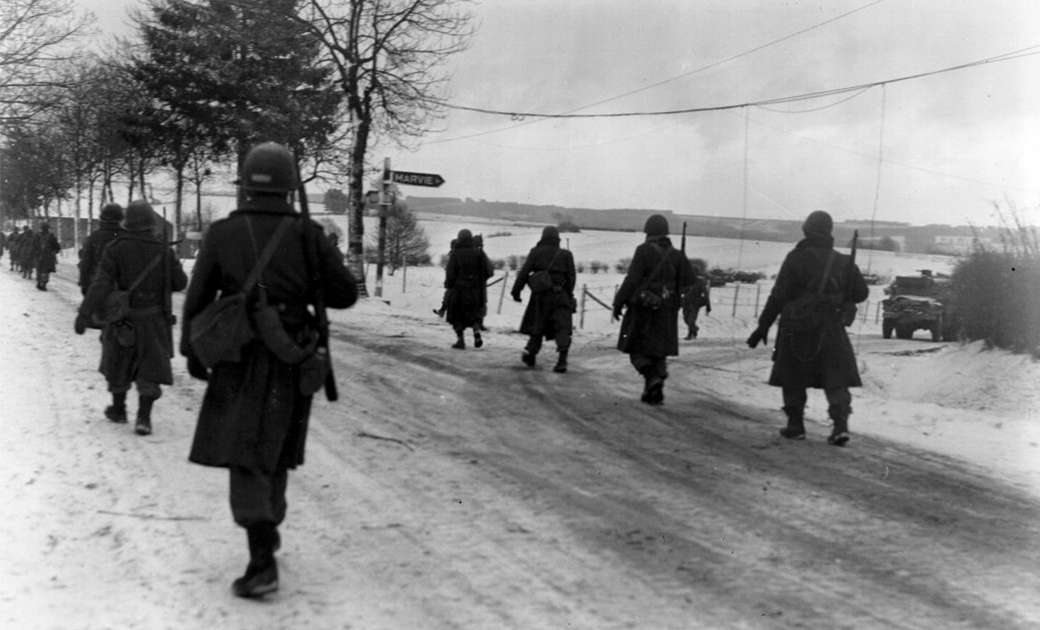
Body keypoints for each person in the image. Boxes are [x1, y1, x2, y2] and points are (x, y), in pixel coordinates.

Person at [180, 141, 357, 599]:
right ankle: (268, 529)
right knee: (276, 447)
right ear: (288, 186)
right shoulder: (308, 233)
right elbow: (344, 295)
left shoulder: (223, 232)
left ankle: (261, 560)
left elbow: (197, 298)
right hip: (292, 356)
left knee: (245, 451)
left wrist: (194, 353)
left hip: (238, 357)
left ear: (245, 186)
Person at [746, 210, 869, 446]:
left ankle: (795, 425)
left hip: (798, 325)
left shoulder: (796, 257)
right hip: (831, 325)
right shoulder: (843, 261)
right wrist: (843, 292)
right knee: (836, 377)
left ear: (807, 230)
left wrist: (762, 327)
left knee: (793, 374)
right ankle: (840, 426)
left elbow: (779, 295)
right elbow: (861, 293)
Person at [75, 200, 188, 435]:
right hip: (154, 319)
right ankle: (144, 418)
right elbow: (180, 283)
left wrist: (85, 314)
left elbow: (100, 285)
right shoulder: (163, 249)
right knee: (151, 366)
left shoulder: (115, 248)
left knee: (118, 362)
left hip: (121, 318)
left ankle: (119, 410)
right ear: (150, 224)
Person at [612, 215, 697, 404]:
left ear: (648, 233)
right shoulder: (677, 255)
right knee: (658, 352)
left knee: (637, 350)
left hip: (644, 308)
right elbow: (690, 282)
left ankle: (652, 378)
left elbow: (632, 280)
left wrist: (619, 302)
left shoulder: (643, 251)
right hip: (667, 311)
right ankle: (654, 392)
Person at [511, 225, 577, 373]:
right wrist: (567, 293)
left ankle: (531, 354)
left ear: (543, 237)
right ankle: (562, 360)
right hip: (561, 295)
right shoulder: (566, 254)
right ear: (557, 238)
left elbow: (524, 273)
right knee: (563, 328)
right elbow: (572, 277)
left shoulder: (536, 252)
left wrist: (516, 291)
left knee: (537, 326)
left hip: (540, 296)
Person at [443, 228, 493, 349]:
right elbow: (488, 271)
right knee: (473, 314)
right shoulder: (479, 253)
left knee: (457, 316)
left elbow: (450, 272)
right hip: (475, 290)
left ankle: (460, 340)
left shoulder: (455, 253)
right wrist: (479, 281)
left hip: (459, 290)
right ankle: (476, 331)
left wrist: (449, 285)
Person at [79, 203, 126, 295]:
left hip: (97, 286)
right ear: (120, 219)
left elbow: (86, 262)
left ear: (102, 218)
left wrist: (84, 284)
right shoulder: (126, 236)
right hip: (121, 290)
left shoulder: (95, 236)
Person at [681, 259, 712, 340]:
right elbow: (681, 290)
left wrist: (708, 304)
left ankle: (691, 333)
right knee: (686, 319)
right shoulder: (686, 281)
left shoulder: (700, 282)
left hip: (695, 303)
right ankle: (694, 330)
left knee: (691, 320)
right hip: (686, 302)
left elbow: (705, 293)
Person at [32, 223, 61, 291]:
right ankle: (43, 284)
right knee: (46, 271)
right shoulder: (51, 236)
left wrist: (35, 253)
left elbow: (33, 246)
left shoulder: (37, 236)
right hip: (48, 257)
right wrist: (54, 251)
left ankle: (39, 283)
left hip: (39, 256)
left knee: (39, 270)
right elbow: (57, 246)